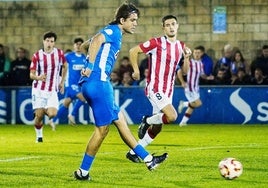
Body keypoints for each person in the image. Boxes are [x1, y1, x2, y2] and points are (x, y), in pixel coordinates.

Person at [73, 2, 167, 181]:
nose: (135, 23)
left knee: (120, 120)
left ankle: (148, 159)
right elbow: (96, 41)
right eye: (132, 20)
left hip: (92, 84)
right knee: (102, 131)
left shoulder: (113, 32)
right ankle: (83, 172)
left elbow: (87, 45)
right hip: (99, 83)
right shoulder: (114, 31)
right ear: (122, 20)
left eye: (136, 20)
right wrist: (91, 65)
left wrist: (91, 60)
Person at [126, 15, 191, 163]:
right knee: (172, 116)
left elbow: (185, 71)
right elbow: (133, 51)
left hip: (168, 91)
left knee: (157, 128)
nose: (171, 27)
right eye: (167, 25)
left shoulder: (181, 46)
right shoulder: (157, 43)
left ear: (178, 25)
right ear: (163, 28)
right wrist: (136, 70)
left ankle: (134, 152)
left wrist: (187, 58)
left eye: (173, 24)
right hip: (155, 88)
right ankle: (147, 119)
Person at [30, 31, 67, 142]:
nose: (49, 43)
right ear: (43, 42)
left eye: (52, 41)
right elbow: (31, 74)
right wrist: (38, 77)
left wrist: (62, 82)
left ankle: (40, 111)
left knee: (52, 113)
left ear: (54, 43)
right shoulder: (37, 56)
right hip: (39, 90)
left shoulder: (59, 53)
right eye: (47, 41)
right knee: (39, 117)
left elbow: (65, 66)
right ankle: (39, 136)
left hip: (52, 90)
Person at [49, 37, 87, 129]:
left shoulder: (84, 58)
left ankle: (53, 121)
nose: (78, 46)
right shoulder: (69, 56)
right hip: (70, 84)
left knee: (66, 104)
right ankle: (72, 115)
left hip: (79, 85)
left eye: (80, 44)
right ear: (74, 46)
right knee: (83, 98)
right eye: (76, 44)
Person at [177, 47, 214, 126]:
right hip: (189, 87)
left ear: (201, 54)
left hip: (196, 88)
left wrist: (208, 77)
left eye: (198, 53)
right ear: (192, 54)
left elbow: (202, 75)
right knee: (198, 103)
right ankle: (184, 104)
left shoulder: (201, 64)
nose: (197, 54)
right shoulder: (189, 62)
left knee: (192, 106)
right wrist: (182, 82)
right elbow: (179, 71)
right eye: (195, 52)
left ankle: (183, 122)